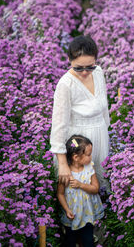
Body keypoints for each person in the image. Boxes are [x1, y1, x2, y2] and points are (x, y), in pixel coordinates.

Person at [50, 35, 110, 187]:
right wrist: (63, 163)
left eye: (90, 66)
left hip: (100, 136)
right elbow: (58, 125)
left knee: (100, 183)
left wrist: (105, 128)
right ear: (69, 61)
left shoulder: (98, 73)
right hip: (78, 143)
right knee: (80, 190)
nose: (84, 72)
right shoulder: (65, 84)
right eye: (78, 68)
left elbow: (103, 104)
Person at [57, 134, 104, 247]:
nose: (91, 157)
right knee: (70, 241)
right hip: (72, 215)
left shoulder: (89, 168)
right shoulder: (66, 173)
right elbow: (60, 193)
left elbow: (95, 189)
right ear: (76, 157)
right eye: (88, 154)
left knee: (88, 241)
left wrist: (80, 185)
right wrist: (67, 209)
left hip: (87, 215)